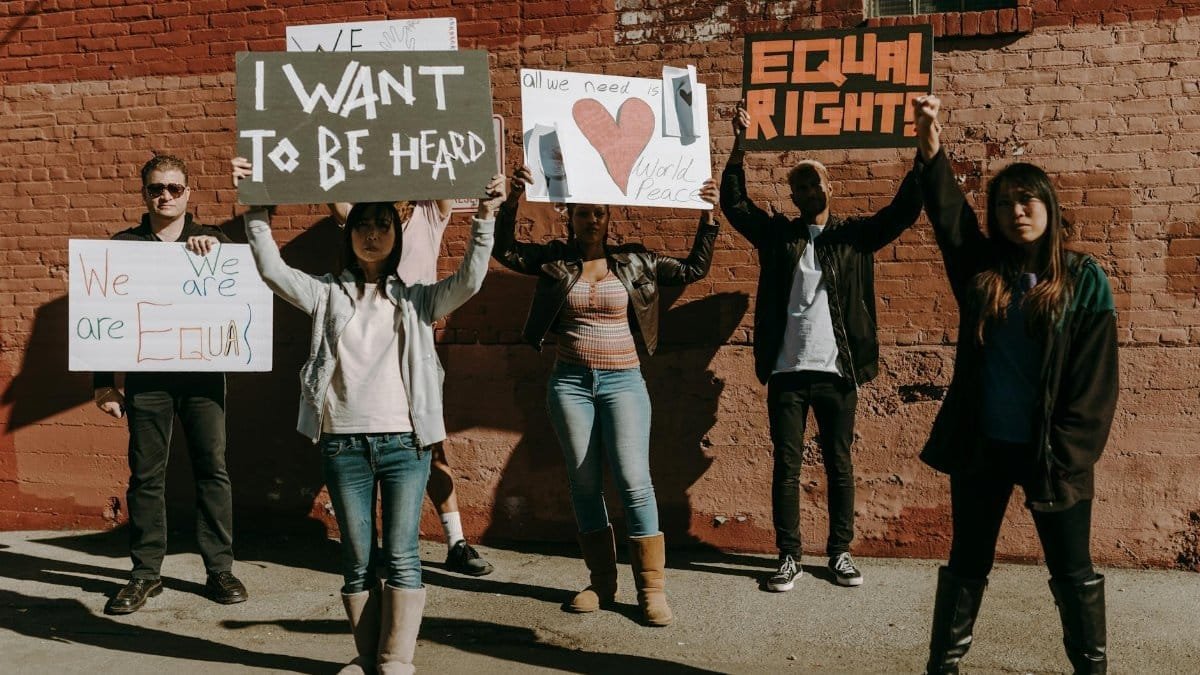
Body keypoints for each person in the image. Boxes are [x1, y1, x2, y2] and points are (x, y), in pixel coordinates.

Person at [234, 157, 503, 674]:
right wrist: (257, 209)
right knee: (357, 558)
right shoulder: (326, 293)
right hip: (343, 444)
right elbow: (271, 270)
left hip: (405, 445)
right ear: (349, 233)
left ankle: (395, 661)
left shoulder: (419, 300)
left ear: (397, 235)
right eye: (363, 224)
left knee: (401, 554)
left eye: (383, 224)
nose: (373, 233)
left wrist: (486, 216)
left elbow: (470, 279)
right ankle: (367, 657)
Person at [913, 96, 1118, 675]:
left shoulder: (1084, 281)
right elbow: (951, 215)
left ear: (1048, 206)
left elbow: (1096, 386)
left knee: (1072, 571)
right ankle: (943, 668)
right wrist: (930, 144)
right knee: (966, 564)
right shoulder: (983, 273)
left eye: (1027, 200)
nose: (1016, 211)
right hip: (984, 449)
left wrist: (1069, 456)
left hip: (1053, 456)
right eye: (1004, 203)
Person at [493, 165, 719, 627]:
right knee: (584, 484)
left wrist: (708, 216)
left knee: (635, 480)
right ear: (569, 218)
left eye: (598, 212)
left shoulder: (636, 261)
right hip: (571, 383)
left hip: (624, 382)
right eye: (582, 213)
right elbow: (507, 252)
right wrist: (512, 201)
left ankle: (651, 589)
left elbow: (694, 268)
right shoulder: (556, 262)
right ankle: (601, 582)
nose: (591, 220)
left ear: (609, 217)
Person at [720, 104, 925, 591]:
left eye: (816, 184)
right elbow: (735, 206)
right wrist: (740, 144)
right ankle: (788, 557)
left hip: (839, 371)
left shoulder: (852, 238)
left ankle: (839, 554)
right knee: (786, 465)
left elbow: (903, 211)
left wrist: (923, 150)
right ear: (792, 195)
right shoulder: (778, 237)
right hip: (787, 370)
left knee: (839, 463)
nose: (810, 191)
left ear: (829, 188)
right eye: (801, 186)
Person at [94, 154, 248, 615]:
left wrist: (216, 253)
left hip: (203, 379)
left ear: (188, 192)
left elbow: (238, 303)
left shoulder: (215, 241)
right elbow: (105, 316)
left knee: (212, 470)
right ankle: (145, 574)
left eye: (174, 189)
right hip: (148, 380)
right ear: (144, 194)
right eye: (156, 189)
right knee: (146, 477)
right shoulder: (123, 246)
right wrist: (104, 383)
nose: (165, 196)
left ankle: (219, 568)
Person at [329, 199, 494, 577]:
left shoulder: (429, 212)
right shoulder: (365, 214)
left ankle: (456, 541)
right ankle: (368, 553)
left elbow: (439, 171)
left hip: (416, 338)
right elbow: (333, 194)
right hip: (367, 344)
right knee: (365, 448)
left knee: (431, 443)